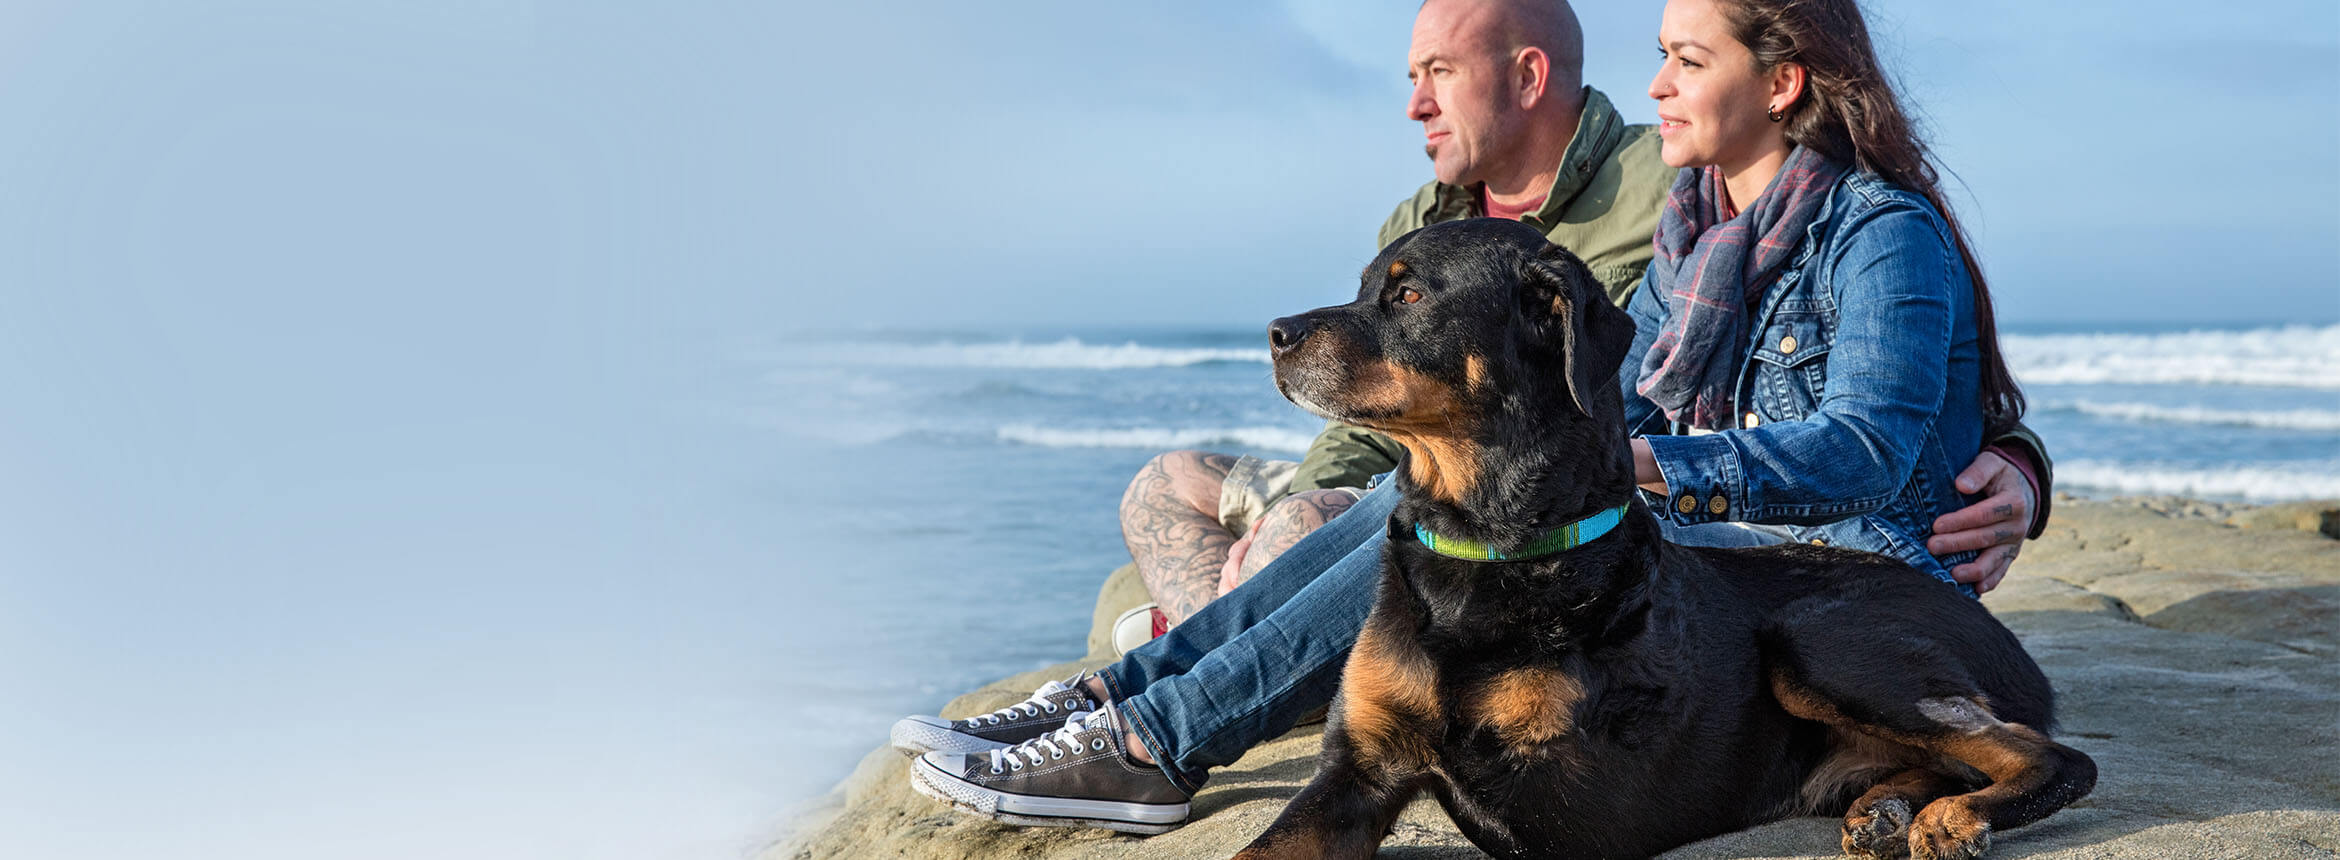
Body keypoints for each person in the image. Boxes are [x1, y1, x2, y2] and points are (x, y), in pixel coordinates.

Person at [892, 0, 2050, 835]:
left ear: (1782, 82)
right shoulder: (1695, 225)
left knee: (1444, 517)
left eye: (1686, 60)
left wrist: (1654, 468)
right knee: (1414, 502)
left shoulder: (1875, 232)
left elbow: (1869, 445)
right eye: (1660, 56)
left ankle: (1158, 738)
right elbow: (1612, 393)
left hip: (1826, 571)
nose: (1656, 84)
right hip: (1704, 549)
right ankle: (1122, 699)